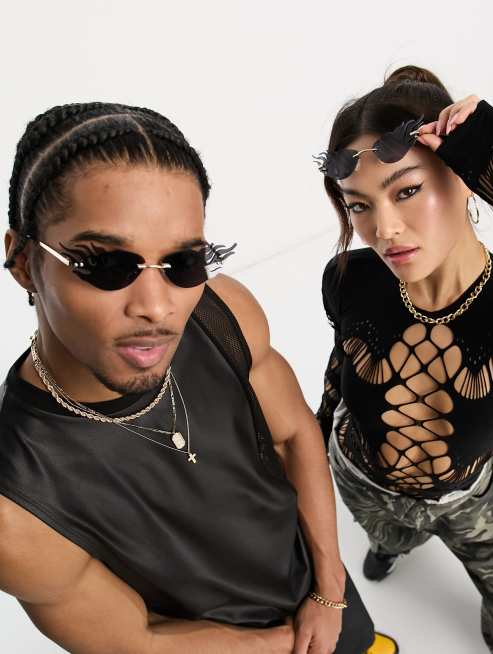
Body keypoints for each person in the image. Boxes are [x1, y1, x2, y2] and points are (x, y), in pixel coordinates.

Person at [0, 102, 397, 654]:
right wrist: (294, 645)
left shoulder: (223, 312)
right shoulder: (15, 508)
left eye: (183, 263)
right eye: (106, 265)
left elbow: (295, 436)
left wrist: (329, 595)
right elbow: (139, 642)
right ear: (24, 261)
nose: (157, 307)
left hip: (319, 590)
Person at [315, 64, 493, 654]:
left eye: (406, 191)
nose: (385, 229)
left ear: (464, 179)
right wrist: (315, 445)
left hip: (477, 494)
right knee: (388, 533)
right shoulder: (349, 279)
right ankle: (390, 544)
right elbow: (340, 367)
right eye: (359, 205)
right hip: (359, 476)